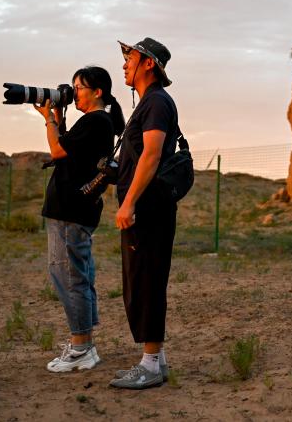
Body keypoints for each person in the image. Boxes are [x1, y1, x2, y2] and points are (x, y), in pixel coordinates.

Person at [34, 65, 124, 373]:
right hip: (74, 210)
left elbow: (57, 150)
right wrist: (58, 118)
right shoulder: (97, 122)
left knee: (68, 276)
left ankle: (81, 347)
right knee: (77, 275)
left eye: (79, 87)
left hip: (70, 210)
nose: (74, 93)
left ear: (97, 92)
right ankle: (83, 344)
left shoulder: (96, 120)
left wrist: (47, 117)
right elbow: (69, 148)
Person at [109, 38, 181, 390]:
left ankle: (150, 364)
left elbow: (152, 154)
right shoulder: (150, 103)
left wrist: (129, 202)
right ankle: (158, 360)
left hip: (149, 208)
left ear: (148, 63)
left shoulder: (155, 101)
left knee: (146, 280)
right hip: (147, 206)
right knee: (142, 278)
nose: (124, 64)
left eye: (130, 58)